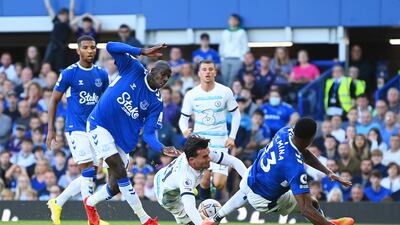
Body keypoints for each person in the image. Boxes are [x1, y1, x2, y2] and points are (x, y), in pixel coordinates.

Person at [83, 41, 179, 225]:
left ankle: (90, 203)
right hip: (99, 124)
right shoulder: (134, 68)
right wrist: (142, 51)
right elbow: (110, 46)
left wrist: (162, 148)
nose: (165, 79)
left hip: (121, 139)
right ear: (151, 70)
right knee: (120, 171)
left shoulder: (156, 103)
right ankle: (145, 219)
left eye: (168, 77)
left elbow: (149, 134)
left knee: (115, 186)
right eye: (163, 74)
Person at [211, 118, 354, 225]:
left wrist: (328, 172)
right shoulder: (295, 168)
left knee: (245, 185)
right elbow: (305, 209)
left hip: (252, 176)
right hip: (265, 200)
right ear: (311, 139)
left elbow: (302, 151)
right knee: (312, 204)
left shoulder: (284, 132)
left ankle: (214, 219)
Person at [45, 35, 109, 225]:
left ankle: (57, 202)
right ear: (78, 50)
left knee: (90, 174)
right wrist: (50, 129)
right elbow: (54, 100)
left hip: (96, 129)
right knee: (88, 172)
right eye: (86, 47)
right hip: (76, 128)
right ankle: (93, 219)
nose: (90, 50)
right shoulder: (69, 73)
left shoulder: (102, 74)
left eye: (93, 47)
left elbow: (105, 103)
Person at [179, 60, 241, 200]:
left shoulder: (225, 91)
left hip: (221, 143)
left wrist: (232, 137)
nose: (207, 72)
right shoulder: (191, 94)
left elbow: (236, 114)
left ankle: (218, 199)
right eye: (204, 69)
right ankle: (206, 211)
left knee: (219, 183)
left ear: (215, 72)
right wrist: (184, 130)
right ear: (199, 73)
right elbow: (183, 119)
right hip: (201, 145)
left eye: (210, 69)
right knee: (204, 182)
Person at [154, 135, 246, 225]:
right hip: (167, 196)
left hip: (170, 178)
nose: (209, 158)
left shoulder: (203, 153)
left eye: (208, 154)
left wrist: (247, 180)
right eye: (205, 157)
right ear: (192, 160)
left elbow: (234, 161)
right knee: (192, 221)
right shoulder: (186, 177)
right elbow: (189, 207)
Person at [219, 14, 249, 87]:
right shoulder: (224, 32)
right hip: (226, 59)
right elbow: (221, 46)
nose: (232, 21)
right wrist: (222, 58)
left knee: (233, 79)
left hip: (237, 59)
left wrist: (242, 59)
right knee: (224, 78)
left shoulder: (241, 32)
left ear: (237, 21)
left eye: (234, 20)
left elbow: (245, 46)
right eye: (230, 20)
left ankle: (230, 96)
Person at [43, 0, 73, 72]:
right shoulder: (56, 20)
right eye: (61, 14)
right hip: (52, 46)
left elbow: (72, 10)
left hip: (61, 47)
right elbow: (49, 7)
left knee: (60, 67)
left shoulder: (69, 24)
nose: (63, 16)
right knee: (47, 65)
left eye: (65, 14)